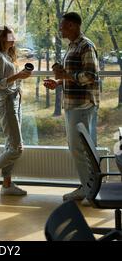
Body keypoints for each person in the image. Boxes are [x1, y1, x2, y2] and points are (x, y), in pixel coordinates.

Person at [43, 12, 100, 203]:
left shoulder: (86, 46)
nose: (60, 28)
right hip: (72, 104)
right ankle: (86, 187)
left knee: (80, 149)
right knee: (76, 147)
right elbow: (74, 75)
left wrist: (66, 76)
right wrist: (58, 82)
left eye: (64, 25)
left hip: (82, 105)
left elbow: (90, 75)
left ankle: (89, 190)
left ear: (74, 26)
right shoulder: (72, 46)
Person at [0, 26, 33, 197]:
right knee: (17, 148)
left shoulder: (8, 56)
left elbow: (8, 81)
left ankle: (7, 185)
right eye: (11, 35)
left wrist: (20, 78)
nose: (14, 38)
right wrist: (18, 77)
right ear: (2, 38)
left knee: (11, 144)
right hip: (7, 103)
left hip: (15, 101)